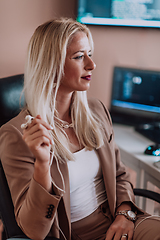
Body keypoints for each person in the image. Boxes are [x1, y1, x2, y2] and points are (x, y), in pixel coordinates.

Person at [0, 18, 160, 240]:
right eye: (78, 57)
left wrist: (125, 214)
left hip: (119, 219)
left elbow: (120, 174)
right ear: (51, 64)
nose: (91, 65)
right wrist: (42, 165)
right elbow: (33, 230)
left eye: (90, 54)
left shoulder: (96, 110)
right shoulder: (16, 134)